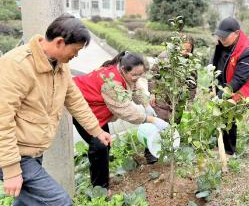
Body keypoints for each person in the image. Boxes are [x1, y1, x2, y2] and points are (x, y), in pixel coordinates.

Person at [0, 14, 112, 206]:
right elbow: (2, 120)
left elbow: (75, 99)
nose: (75, 56)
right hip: (14, 153)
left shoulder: (59, 65)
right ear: (60, 42)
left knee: (29, 203)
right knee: (59, 202)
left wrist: (96, 131)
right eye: (75, 50)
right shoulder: (16, 65)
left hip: (32, 149)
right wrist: (11, 170)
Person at [73, 51, 169, 191]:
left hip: (95, 111)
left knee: (105, 146)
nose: (137, 78)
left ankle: (100, 180)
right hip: (81, 108)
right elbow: (125, 110)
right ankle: (100, 189)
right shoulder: (111, 83)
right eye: (134, 75)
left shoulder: (124, 73)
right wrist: (151, 119)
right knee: (99, 146)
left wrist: (146, 104)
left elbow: (135, 88)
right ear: (123, 69)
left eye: (139, 75)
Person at [210, 17, 249, 156]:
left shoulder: (248, 52)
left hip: (240, 89)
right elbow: (217, 64)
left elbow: (239, 79)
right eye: (220, 36)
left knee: (228, 117)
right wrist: (212, 85)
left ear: (236, 33)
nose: (221, 39)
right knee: (220, 114)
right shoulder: (224, 44)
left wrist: (221, 95)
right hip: (225, 84)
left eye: (224, 36)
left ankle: (230, 151)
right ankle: (220, 145)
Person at [147, 36, 198, 163]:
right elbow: (153, 75)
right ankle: (151, 155)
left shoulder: (190, 63)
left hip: (177, 102)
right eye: (183, 48)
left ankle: (168, 151)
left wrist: (190, 101)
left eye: (188, 50)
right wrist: (152, 92)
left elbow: (192, 84)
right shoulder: (164, 56)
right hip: (161, 98)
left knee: (172, 125)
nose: (184, 52)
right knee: (157, 124)